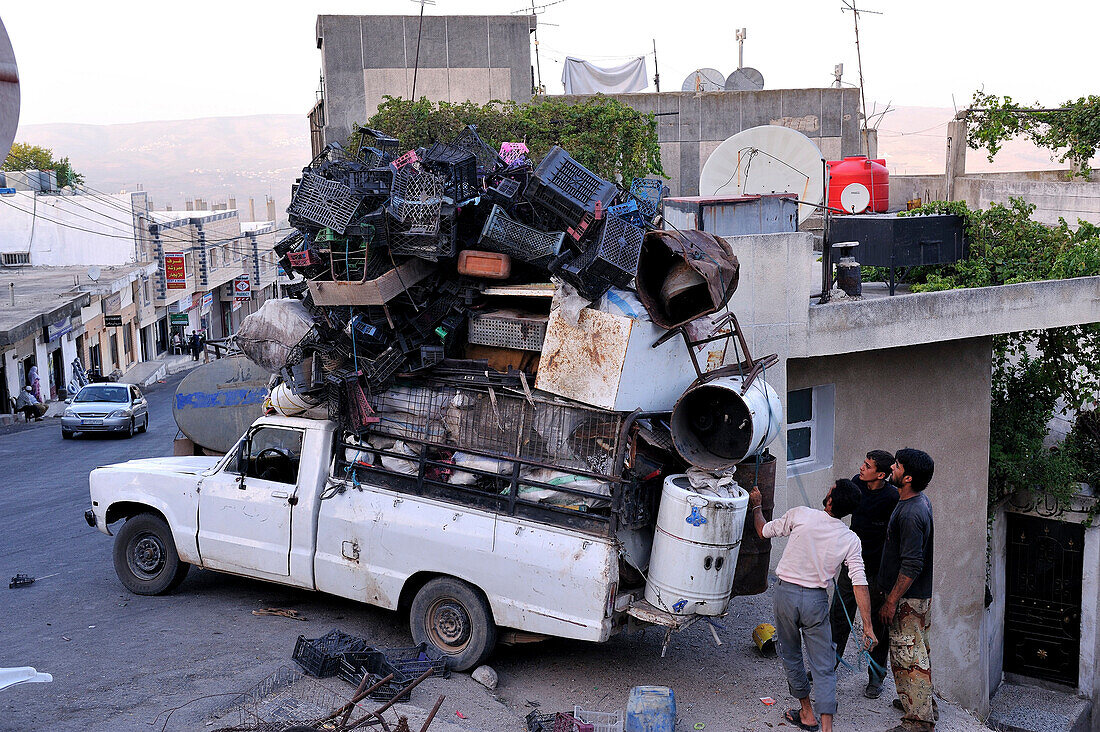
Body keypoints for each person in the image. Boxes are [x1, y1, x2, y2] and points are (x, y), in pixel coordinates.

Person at [749, 479, 876, 732]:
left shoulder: (801, 515)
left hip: (786, 595)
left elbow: (763, 531)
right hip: (816, 601)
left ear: (829, 500)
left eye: (829, 490)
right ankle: (827, 728)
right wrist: (867, 626)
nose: (827, 491)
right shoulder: (850, 539)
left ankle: (807, 713)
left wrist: (757, 506)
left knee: (791, 654)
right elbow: (859, 583)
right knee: (824, 664)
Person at [830, 449, 899, 698]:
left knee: (878, 627)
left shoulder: (892, 497)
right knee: (838, 617)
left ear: (881, 474)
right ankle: (829, 668)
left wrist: (888, 578)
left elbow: (895, 539)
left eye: (867, 466)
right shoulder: (857, 483)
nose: (861, 468)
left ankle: (876, 677)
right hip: (851, 565)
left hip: (876, 572)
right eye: (863, 463)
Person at [878, 449, 936, 732]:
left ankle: (918, 722)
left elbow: (912, 565)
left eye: (897, 465)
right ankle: (922, 703)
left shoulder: (912, 513)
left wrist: (891, 601)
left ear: (908, 477)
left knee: (908, 657)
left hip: (907, 599)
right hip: (917, 597)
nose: (892, 467)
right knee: (919, 651)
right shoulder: (917, 501)